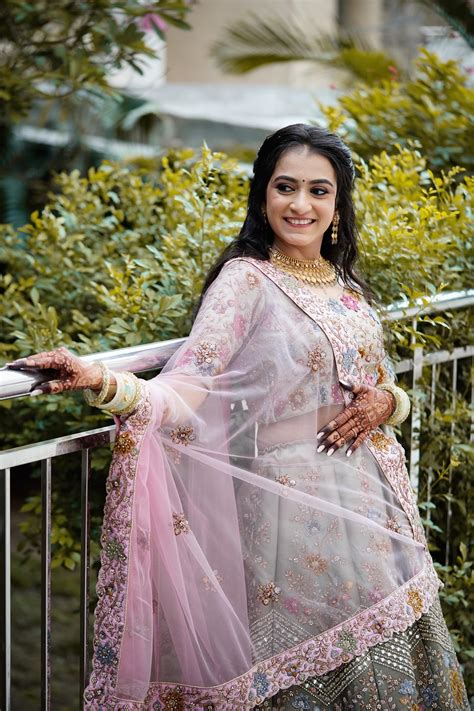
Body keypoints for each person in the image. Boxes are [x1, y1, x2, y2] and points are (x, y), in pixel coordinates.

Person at [7, 125, 469, 710]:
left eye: (319, 191)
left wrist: (389, 403)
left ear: (338, 205)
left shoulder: (345, 284)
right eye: (286, 187)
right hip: (292, 510)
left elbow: (379, 385)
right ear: (263, 194)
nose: (301, 205)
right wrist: (102, 381)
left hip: (374, 507)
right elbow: (189, 385)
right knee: (306, 678)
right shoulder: (246, 280)